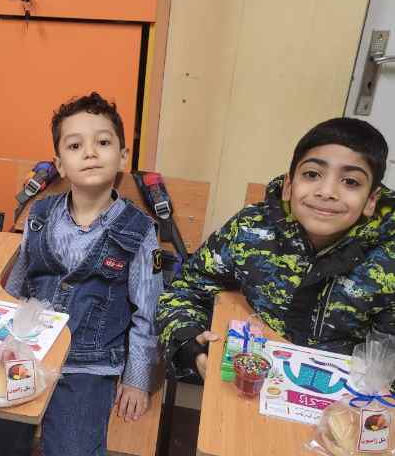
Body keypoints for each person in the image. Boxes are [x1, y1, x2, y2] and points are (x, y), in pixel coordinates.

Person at [0, 92, 162, 455]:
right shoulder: (40, 214)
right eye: (75, 145)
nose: (90, 153)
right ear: (60, 163)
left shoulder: (140, 230)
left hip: (89, 365)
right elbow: (17, 284)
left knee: (74, 447)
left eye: (103, 142)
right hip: (27, 350)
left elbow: (147, 312)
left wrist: (137, 379)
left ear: (122, 156)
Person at [157, 117, 395, 383]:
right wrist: (190, 345)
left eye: (350, 181)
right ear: (289, 186)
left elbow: (388, 357)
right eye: (312, 174)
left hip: (344, 397)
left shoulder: (388, 261)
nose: (327, 192)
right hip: (253, 381)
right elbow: (185, 289)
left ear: (371, 200)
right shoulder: (250, 228)